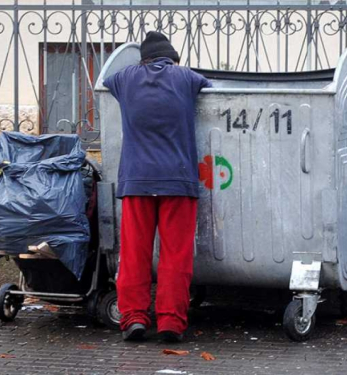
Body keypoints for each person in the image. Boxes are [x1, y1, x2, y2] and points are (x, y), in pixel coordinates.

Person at [103, 31, 212, 342]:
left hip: (137, 181)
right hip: (178, 182)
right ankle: (170, 323)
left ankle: (134, 318)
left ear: (144, 59)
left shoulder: (124, 79)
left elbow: (105, 82)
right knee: (175, 256)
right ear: (173, 58)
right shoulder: (187, 78)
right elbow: (215, 92)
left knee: (135, 253)